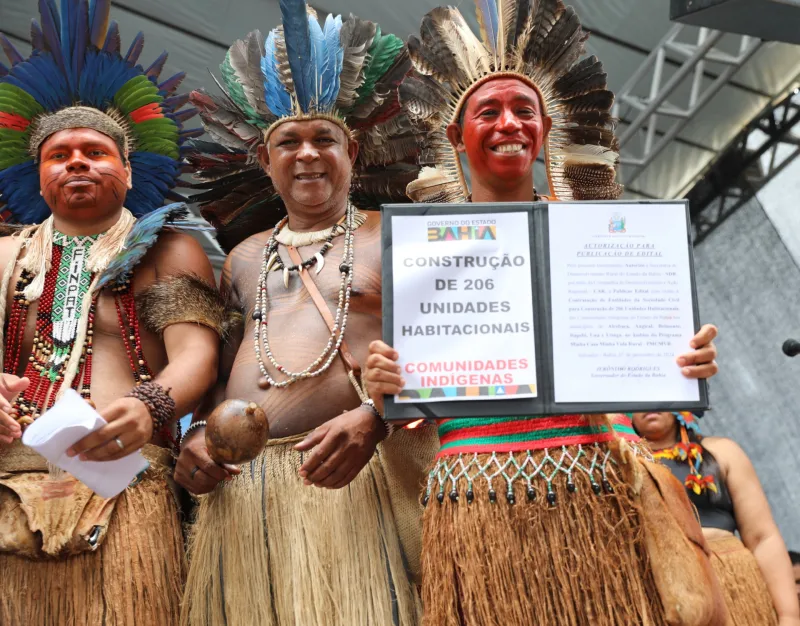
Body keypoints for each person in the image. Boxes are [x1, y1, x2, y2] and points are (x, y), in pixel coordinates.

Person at [365, 1, 725, 624]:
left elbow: (640, 377)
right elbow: (413, 415)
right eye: (489, 111)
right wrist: (387, 388)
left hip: (597, 488)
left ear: (544, 127)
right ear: (454, 134)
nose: (509, 123)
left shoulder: (601, 240)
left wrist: (679, 361)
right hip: (477, 499)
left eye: (523, 110)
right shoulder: (421, 260)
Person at [175, 3, 435, 624]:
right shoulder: (240, 258)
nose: (307, 154)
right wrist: (195, 438)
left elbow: (444, 351)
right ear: (265, 162)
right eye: (288, 142)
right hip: (247, 500)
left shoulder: (396, 236)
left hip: (353, 482)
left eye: (325, 139)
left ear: (354, 150)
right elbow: (213, 377)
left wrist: (376, 417)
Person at [0, 2, 227, 624]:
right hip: (9, 479)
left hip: (127, 478)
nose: (77, 161)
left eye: (96, 152)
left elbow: (196, 354)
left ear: (129, 171)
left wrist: (151, 405)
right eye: (59, 154)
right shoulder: (4, 256)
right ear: (38, 175)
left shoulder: (167, 247)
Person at [633, 411, 800, 626]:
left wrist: (790, 616)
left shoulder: (722, 452)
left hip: (734, 586)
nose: (650, 404)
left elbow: (762, 538)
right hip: (660, 594)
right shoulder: (613, 464)